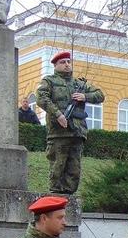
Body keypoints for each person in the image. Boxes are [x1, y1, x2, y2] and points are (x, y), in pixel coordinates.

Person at [36, 51, 104, 194]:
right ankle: (55, 197)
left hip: (77, 132)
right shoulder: (49, 81)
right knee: (57, 167)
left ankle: (69, 199)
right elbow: (41, 98)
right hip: (58, 133)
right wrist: (58, 114)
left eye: (68, 62)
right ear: (55, 65)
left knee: (74, 170)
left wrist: (85, 96)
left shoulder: (78, 83)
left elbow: (100, 95)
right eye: (63, 62)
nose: (67, 65)